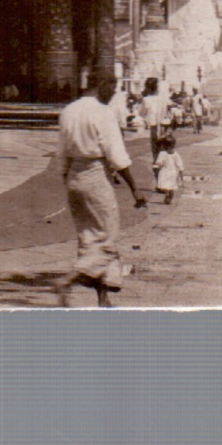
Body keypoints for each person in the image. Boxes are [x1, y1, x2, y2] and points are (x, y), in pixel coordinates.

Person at [57, 76, 148, 306]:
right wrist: (135, 188)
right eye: (113, 89)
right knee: (108, 237)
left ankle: (103, 298)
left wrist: (69, 178)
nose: (113, 94)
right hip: (96, 176)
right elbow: (116, 155)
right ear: (103, 85)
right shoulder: (102, 112)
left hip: (74, 178)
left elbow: (62, 153)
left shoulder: (68, 111)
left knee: (89, 238)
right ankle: (68, 281)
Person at [154, 135, 185, 205]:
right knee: (168, 186)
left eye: (173, 147)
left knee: (170, 186)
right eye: (171, 147)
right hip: (168, 172)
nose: (172, 149)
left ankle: (169, 196)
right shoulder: (167, 154)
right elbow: (159, 162)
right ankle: (167, 196)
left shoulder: (172, 154)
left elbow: (179, 163)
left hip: (169, 172)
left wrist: (181, 170)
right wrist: (159, 165)